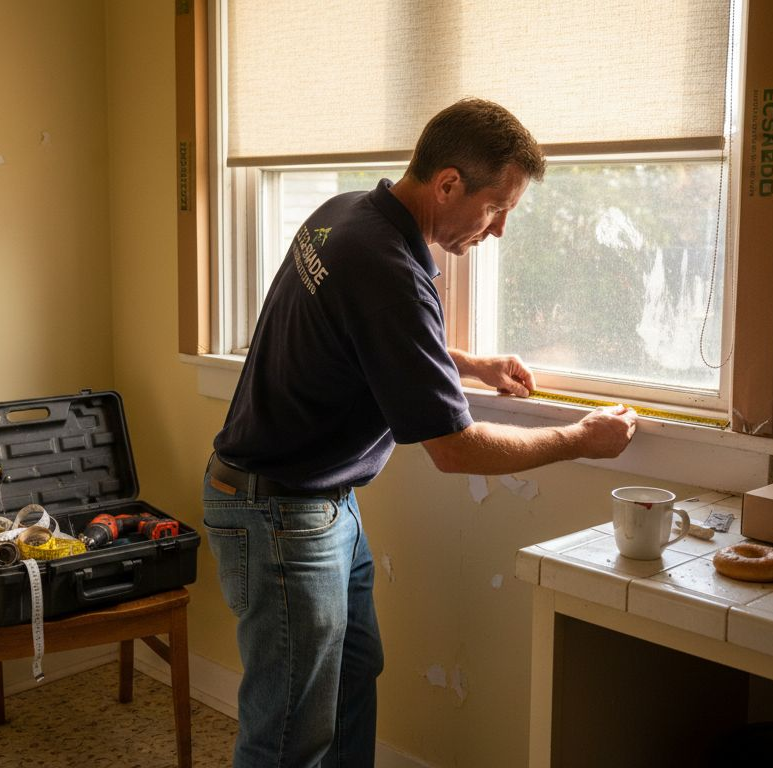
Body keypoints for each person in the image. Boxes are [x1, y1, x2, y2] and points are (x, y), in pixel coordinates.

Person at [201, 97, 639, 767]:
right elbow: (456, 449)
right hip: (280, 515)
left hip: (312, 502)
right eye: (496, 209)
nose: (499, 231)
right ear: (448, 184)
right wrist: (580, 438)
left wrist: (467, 363)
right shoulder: (388, 269)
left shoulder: (347, 213)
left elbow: (369, 336)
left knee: (352, 676)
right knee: (288, 734)